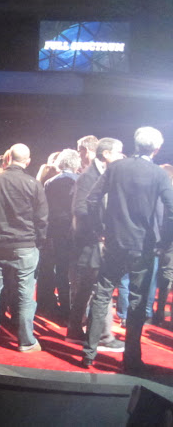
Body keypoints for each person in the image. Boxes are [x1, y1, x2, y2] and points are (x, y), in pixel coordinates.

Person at [82, 127, 173, 373]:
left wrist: (99, 228)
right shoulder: (159, 174)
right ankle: (131, 360)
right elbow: (171, 209)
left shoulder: (116, 167)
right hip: (143, 246)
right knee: (137, 301)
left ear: (135, 144)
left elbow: (91, 199)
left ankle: (88, 354)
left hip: (114, 242)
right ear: (156, 149)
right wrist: (165, 241)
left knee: (102, 295)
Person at [0, 144, 48, 352]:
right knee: (25, 295)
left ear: (8, 158)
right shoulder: (33, 184)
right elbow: (42, 219)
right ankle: (26, 341)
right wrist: (39, 242)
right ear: (28, 161)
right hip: (25, 245)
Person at [66, 137, 125, 352]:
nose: (121, 156)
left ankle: (75, 331)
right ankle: (103, 336)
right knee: (100, 289)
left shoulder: (102, 174)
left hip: (91, 241)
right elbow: (80, 209)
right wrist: (99, 232)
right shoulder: (89, 177)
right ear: (106, 154)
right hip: (90, 242)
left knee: (87, 288)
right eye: (118, 152)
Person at [38, 149, 81, 319]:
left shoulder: (50, 182)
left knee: (61, 271)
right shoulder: (80, 181)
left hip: (56, 232)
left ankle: (64, 309)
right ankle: (77, 310)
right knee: (76, 272)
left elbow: (46, 210)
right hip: (76, 231)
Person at [155, 164, 173, 326]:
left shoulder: (164, 194)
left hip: (166, 240)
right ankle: (160, 312)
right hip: (167, 241)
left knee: (166, 275)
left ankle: (160, 312)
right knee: (167, 275)